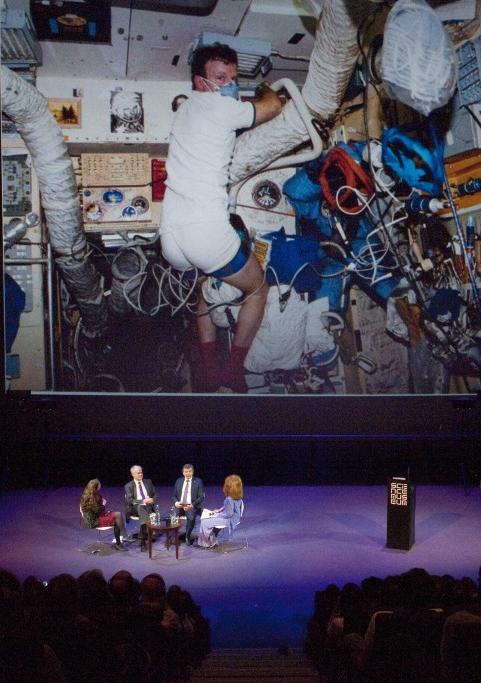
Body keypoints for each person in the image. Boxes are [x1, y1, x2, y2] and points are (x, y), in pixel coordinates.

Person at [160, 42, 285, 393]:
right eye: (220, 77)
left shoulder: (184, 110)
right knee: (258, 289)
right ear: (200, 81)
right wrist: (264, 88)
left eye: (233, 78)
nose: (228, 84)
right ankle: (232, 370)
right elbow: (273, 106)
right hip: (204, 232)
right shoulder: (219, 106)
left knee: (204, 289)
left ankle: (210, 369)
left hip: (171, 236)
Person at [197, 474, 244, 549]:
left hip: (229, 520)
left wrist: (217, 514)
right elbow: (230, 507)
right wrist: (220, 510)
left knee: (205, 521)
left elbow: (229, 514)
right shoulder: (237, 496)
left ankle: (207, 543)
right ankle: (212, 541)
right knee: (209, 519)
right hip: (235, 518)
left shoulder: (229, 499)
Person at [79, 478, 127, 550]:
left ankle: (123, 538)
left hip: (97, 516)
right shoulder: (91, 498)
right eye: (99, 484)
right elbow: (98, 511)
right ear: (96, 487)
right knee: (117, 518)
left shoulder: (90, 494)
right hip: (93, 521)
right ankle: (120, 542)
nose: (101, 485)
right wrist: (103, 504)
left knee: (118, 515)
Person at [124, 465, 158, 551]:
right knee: (140, 507)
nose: (140, 474)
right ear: (133, 474)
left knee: (143, 510)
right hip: (134, 508)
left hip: (148, 506)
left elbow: (155, 495)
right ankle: (144, 539)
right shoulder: (128, 486)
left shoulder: (148, 482)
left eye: (141, 472)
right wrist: (143, 501)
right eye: (138, 473)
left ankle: (142, 538)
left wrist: (152, 499)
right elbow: (130, 500)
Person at [172, 463, 205, 547]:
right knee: (173, 516)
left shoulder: (198, 481)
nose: (188, 473)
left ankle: (187, 536)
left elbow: (201, 497)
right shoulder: (178, 481)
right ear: (183, 472)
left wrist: (192, 505)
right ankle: (173, 535)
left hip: (191, 506)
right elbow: (174, 496)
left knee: (191, 517)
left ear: (192, 472)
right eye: (186, 471)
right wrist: (176, 503)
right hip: (180, 505)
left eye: (190, 471)